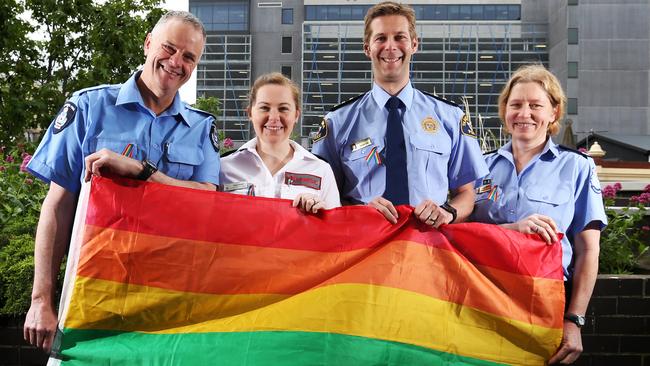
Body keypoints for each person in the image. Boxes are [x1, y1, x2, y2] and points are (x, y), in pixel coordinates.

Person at [23, 11, 220, 352]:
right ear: (147, 44)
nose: (176, 62)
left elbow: (207, 198)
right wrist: (41, 299)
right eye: (169, 48)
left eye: (189, 57)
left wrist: (143, 172)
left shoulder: (201, 128)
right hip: (93, 293)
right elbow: (57, 207)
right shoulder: (89, 107)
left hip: (169, 301)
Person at [470, 64, 607, 364]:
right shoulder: (479, 168)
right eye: (516, 104)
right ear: (505, 110)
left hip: (546, 304)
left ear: (554, 113)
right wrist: (513, 229)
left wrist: (575, 320)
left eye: (535, 106)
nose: (524, 114)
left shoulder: (577, 168)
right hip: (482, 302)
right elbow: (460, 238)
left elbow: (588, 251)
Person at [311, 1, 487, 226]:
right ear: (367, 48)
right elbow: (321, 195)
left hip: (428, 249)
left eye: (400, 37)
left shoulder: (449, 118)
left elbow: (467, 194)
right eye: (381, 38)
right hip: (363, 248)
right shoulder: (338, 122)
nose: (390, 46)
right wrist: (358, 211)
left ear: (414, 44)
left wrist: (447, 212)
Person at [220, 73, 340, 212]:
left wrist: (322, 215)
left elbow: (335, 230)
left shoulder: (321, 169)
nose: (274, 117)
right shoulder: (224, 168)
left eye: (283, 109)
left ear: (296, 115)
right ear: (250, 113)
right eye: (264, 108)